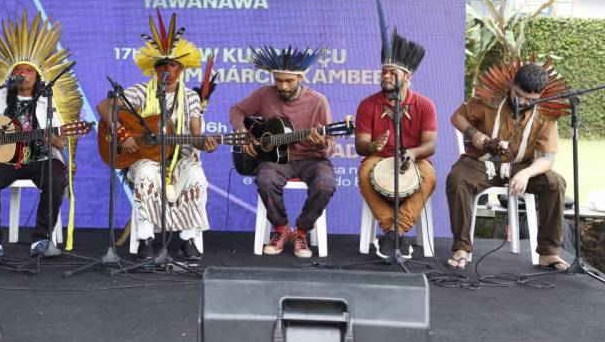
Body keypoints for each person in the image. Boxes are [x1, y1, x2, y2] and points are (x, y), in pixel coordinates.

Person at [0, 13, 83, 259]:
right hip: (6, 162)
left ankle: (42, 239)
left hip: (39, 162)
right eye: (19, 70)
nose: (24, 74)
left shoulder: (47, 101)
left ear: (37, 76)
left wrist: (51, 138)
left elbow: (60, 143)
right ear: (12, 76)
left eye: (29, 70)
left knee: (56, 175)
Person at [97, 12, 216, 261]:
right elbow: (104, 107)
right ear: (155, 68)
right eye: (162, 65)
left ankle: (187, 240)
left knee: (195, 174)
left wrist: (205, 144)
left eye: (172, 65)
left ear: (181, 68)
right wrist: (123, 133)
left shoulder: (191, 97)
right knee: (146, 173)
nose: (167, 70)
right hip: (145, 159)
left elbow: (196, 135)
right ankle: (146, 239)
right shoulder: (142, 91)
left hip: (180, 157)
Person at [445, 61, 570, 271]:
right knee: (457, 179)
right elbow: (457, 117)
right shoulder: (488, 101)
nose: (522, 101)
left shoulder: (546, 114)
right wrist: (473, 134)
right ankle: (461, 248)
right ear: (513, 84)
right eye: (518, 94)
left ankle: (549, 253)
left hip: (522, 166)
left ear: (540, 95)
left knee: (555, 183)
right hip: (481, 163)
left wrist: (527, 174)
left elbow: (547, 159)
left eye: (530, 99)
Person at [229, 46, 336, 259]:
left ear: (300, 78)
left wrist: (322, 143)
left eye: (289, 81)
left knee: (325, 185)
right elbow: (236, 110)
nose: (283, 86)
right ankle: (280, 228)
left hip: (312, 159)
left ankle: (302, 231)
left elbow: (331, 146)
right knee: (266, 180)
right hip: (277, 160)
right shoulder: (265, 94)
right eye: (278, 81)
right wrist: (243, 133)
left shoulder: (318, 101)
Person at [355, 23, 437, 260]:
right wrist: (372, 146)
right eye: (384, 72)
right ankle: (394, 232)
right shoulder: (368, 104)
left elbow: (430, 145)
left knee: (429, 177)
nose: (386, 76)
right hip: (378, 158)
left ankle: (393, 233)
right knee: (364, 174)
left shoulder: (424, 105)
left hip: (415, 159)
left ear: (407, 77)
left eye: (392, 73)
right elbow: (361, 146)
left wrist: (412, 153)